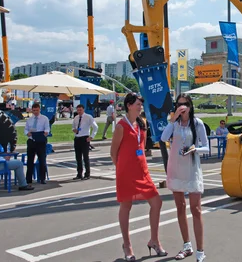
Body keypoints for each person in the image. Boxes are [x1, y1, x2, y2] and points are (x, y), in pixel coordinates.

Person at [110, 93, 166, 261]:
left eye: (141, 103)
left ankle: (154, 240)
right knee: (126, 206)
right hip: (126, 172)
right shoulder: (121, 126)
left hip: (143, 171)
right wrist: (121, 169)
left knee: (157, 202)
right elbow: (113, 153)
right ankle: (127, 245)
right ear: (129, 105)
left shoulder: (142, 124)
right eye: (137, 103)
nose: (140, 106)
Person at [161, 94, 209, 262]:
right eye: (179, 104)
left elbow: (206, 147)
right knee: (180, 207)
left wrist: (196, 149)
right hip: (176, 168)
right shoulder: (174, 123)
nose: (182, 107)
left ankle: (200, 250)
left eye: (185, 104)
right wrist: (173, 119)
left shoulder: (197, 123)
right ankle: (187, 245)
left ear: (190, 106)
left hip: (191, 169)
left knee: (196, 209)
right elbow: (163, 138)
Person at [24, 103, 50, 185]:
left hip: (40, 141)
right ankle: (28, 179)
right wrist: (27, 133)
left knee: (42, 160)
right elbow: (25, 129)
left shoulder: (44, 118)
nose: (35, 112)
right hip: (32, 140)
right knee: (30, 160)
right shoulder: (29, 120)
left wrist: (46, 132)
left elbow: (47, 128)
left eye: (37, 110)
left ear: (39, 110)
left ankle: (42, 178)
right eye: (34, 110)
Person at [72, 104, 99, 180]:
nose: (79, 111)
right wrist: (74, 129)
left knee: (85, 157)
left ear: (83, 109)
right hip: (77, 138)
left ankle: (87, 174)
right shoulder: (76, 118)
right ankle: (79, 174)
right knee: (78, 157)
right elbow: (73, 126)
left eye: (80, 110)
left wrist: (91, 136)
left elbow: (95, 127)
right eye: (78, 110)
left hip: (85, 138)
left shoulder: (88, 117)